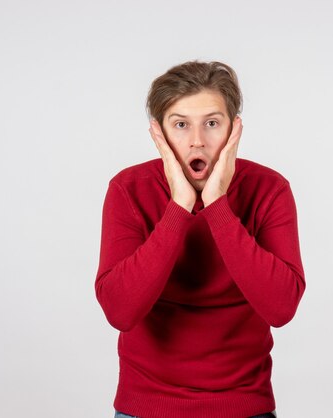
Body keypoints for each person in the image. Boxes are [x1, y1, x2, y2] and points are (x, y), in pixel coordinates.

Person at [95, 60, 305, 418]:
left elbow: (281, 307)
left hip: (244, 407)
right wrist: (179, 206)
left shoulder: (269, 189)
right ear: (158, 132)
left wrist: (217, 205)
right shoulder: (129, 189)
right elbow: (120, 310)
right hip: (146, 408)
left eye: (212, 123)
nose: (197, 140)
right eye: (180, 124)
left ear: (233, 130)